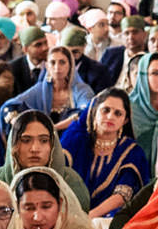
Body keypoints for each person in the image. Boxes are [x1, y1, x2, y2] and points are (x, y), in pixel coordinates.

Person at [61, 88, 152, 218]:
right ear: (95, 111)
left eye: (118, 114)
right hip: (68, 213)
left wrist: (89, 216)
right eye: (106, 110)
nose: (110, 117)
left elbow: (122, 195)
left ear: (125, 120)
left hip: (106, 220)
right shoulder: (76, 141)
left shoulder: (131, 151)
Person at [6, 110, 94, 210]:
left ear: (53, 145)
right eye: (26, 140)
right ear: (13, 145)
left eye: (44, 141)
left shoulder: (70, 182)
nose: (35, 149)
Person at [12, 166, 104, 229]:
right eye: (29, 208)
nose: (38, 217)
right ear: (17, 207)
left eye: (46, 206)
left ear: (60, 204)